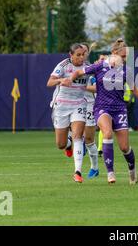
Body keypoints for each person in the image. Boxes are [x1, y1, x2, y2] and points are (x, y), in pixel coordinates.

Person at [62, 39, 138, 185]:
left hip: (119, 109)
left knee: (124, 147)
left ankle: (132, 169)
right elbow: (80, 71)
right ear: (114, 53)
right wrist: (70, 79)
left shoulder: (126, 71)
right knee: (106, 133)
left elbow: (134, 89)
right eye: (123, 56)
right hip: (102, 107)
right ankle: (110, 173)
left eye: (127, 57)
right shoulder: (100, 66)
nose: (126, 59)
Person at [46, 43, 98, 183]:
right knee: (60, 144)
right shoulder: (63, 65)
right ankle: (67, 145)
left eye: (83, 54)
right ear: (71, 55)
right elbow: (49, 82)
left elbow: (96, 83)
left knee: (78, 136)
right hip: (62, 105)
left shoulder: (87, 67)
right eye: (78, 55)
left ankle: (77, 172)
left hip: (79, 104)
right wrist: (61, 80)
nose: (81, 57)